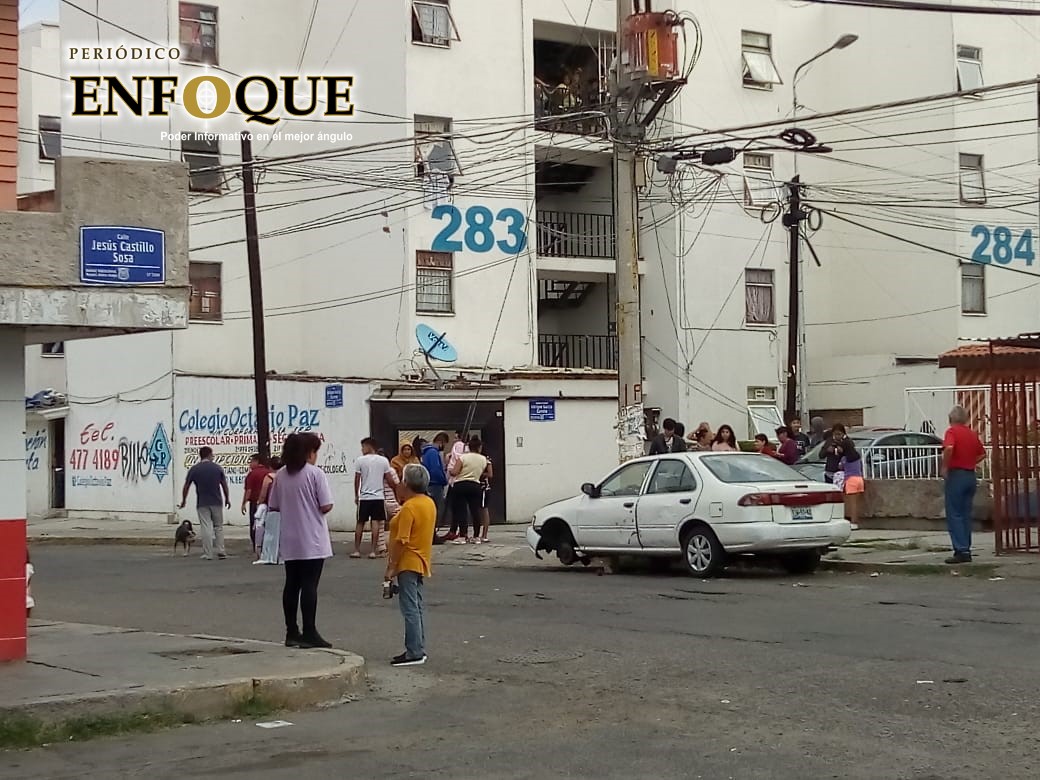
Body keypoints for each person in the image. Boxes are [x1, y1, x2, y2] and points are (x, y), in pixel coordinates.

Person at [269, 432, 334, 649]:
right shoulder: (315, 474)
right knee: (309, 585)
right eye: (315, 451)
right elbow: (326, 505)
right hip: (312, 538)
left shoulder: (280, 475)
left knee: (291, 584)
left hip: (289, 537)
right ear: (308, 452)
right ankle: (309, 631)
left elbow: (274, 505)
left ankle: (291, 631)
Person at [385, 463, 436, 666]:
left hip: (408, 561)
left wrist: (391, 567)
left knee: (409, 608)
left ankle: (414, 651)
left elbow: (401, 540)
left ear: (407, 483)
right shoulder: (428, 503)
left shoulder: (410, 507)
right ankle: (417, 647)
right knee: (416, 606)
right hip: (421, 559)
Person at [941, 405, 986, 564]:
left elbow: (949, 448)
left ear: (950, 419)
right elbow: (982, 454)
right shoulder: (971, 434)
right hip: (970, 475)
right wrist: (970, 462)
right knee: (966, 514)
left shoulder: (951, 432)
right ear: (966, 419)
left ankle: (961, 550)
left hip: (957, 475)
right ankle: (966, 546)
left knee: (955, 513)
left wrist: (945, 467)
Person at [178, 447, 231, 561]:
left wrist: (184, 500)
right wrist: (227, 498)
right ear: (209, 455)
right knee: (218, 527)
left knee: (206, 527)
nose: (213, 456)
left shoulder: (194, 469)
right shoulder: (217, 468)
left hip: (202, 502)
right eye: (212, 454)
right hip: (217, 501)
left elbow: (186, 486)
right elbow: (224, 485)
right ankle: (221, 550)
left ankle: (208, 553)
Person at [353, 437, 396, 559]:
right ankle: (373, 551)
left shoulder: (360, 461)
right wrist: (396, 490)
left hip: (364, 497)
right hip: (378, 497)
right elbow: (389, 479)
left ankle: (357, 550)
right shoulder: (383, 461)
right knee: (375, 522)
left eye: (363, 447)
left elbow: (357, 479)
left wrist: (357, 495)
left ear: (368, 446)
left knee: (360, 523)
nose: (362, 449)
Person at [449, 437, 491, 544]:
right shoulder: (483, 459)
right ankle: (476, 536)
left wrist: (449, 469)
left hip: (461, 485)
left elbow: (454, 472)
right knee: (475, 511)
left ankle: (463, 536)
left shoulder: (463, 458)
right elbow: (484, 473)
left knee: (462, 511)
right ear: (479, 447)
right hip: (475, 485)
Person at [253, 456, 282, 565]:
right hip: (284, 510)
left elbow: (263, 494)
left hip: (272, 509)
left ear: (270, 466)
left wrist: (259, 504)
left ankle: (269, 555)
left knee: (270, 534)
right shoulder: (285, 476)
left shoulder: (269, 477)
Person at [241, 453, 271, 558]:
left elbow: (248, 490)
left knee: (255, 525)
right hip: (268, 503)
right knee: (267, 525)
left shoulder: (252, 474)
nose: (250, 464)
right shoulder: (269, 472)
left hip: (255, 503)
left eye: (251, 461)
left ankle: (256, 547)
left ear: (257, 462)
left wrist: (244, 503)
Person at [421, 433, 450, 536]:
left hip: (429, 484)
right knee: (436, 509)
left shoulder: (426, 452)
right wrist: (444, 480)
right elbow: (435, 469)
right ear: (441, 442)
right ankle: (432, 534)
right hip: (435, 484)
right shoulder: (433, 452)